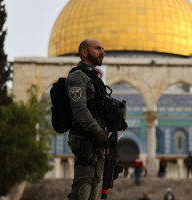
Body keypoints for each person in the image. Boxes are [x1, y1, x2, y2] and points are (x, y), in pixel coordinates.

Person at [66, 39, 110, 200]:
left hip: (98, 141)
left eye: (103, 49)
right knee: (83, 188)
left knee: (94, 188)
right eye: (97, 49)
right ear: (84, 52)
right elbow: (79, 109)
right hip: (85, 138)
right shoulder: (78, 77)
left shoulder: (95, 79)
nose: (102, 52)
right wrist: (98, 132)